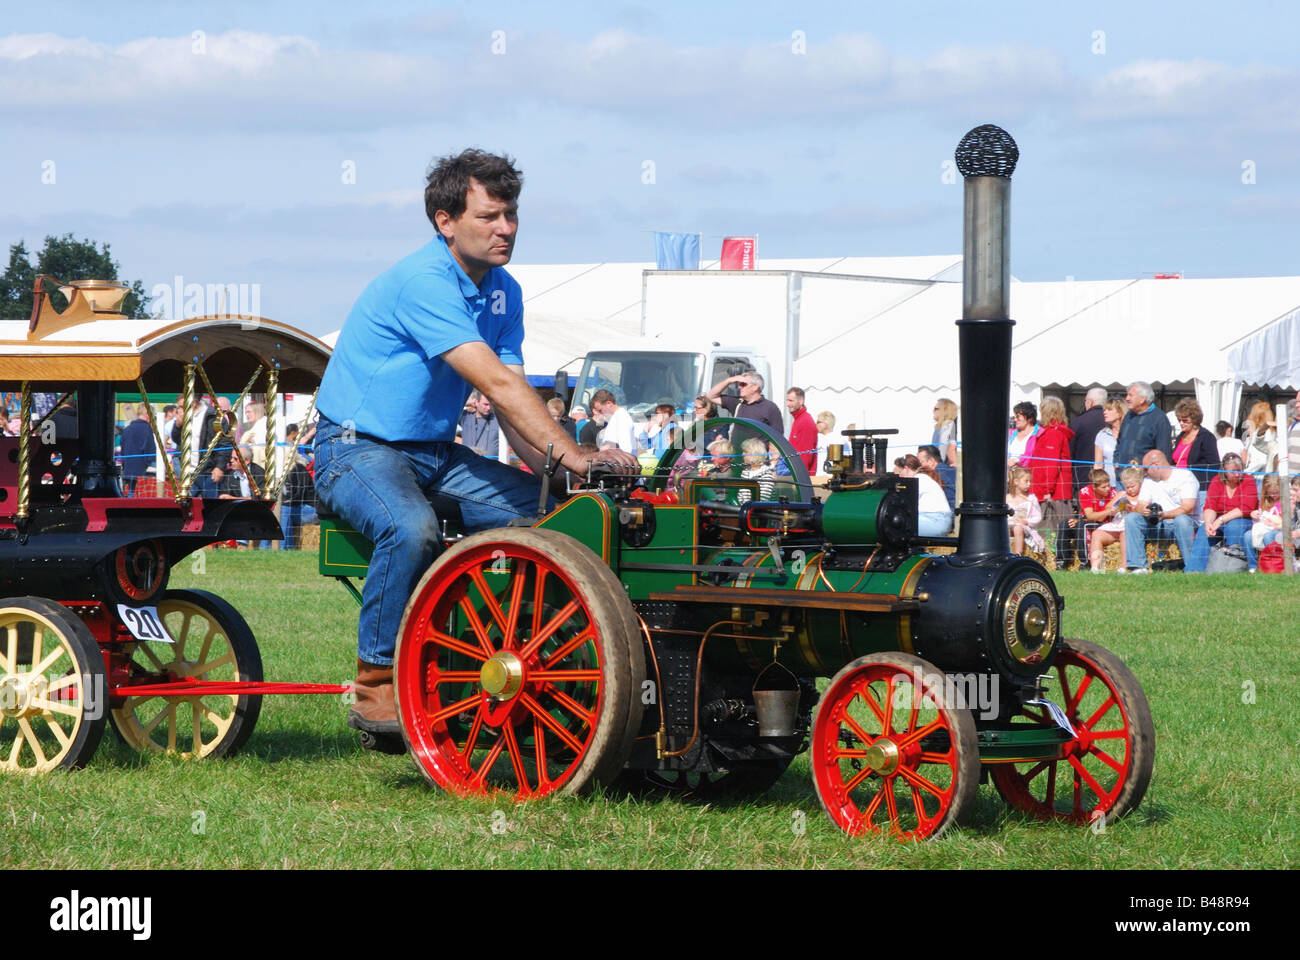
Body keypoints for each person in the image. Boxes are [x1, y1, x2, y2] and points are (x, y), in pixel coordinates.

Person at [312, 148, 638, 745]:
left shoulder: (504, 292)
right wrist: (577, 453)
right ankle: (376, 681)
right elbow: (497, 382)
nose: (506, 229)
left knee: (555, 517)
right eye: (489, 216)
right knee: (410, 530)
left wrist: (570, 478)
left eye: (511, 215)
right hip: (354, 451)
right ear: (445, 221)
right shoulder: (422, 281)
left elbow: (515, 408)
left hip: (432, 453)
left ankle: (537, 661)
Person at [1121, 450, 1198, 573]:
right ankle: (1139, 567)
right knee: (1132, 518)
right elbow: (1140, 505)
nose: (1144, 473)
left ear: (1155, 466)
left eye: (1146, 469)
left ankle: (1192, 567)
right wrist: (1144, 510)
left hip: (1180, 525)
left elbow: (1188, 508)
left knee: (1182, 519)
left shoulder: (1185, 476)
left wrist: (1165, 514)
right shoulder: (1148, 481)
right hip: (1157, 525)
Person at [1186, 452, 1258, 572]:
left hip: (1242, 519)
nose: (1237, 474)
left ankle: (1232, 567)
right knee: (1204, 530)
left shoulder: (1248, 480)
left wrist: (1220, 520)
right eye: (1232, 471)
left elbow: (1246, 507)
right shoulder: (1216, 481)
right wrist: (1209, 523)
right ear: (1224, 471)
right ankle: (1194, 571)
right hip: (1219, 520)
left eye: (1239, 470)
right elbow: (1210, 506)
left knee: (1234, 527)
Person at [1029, 396, 1074, 533]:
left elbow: (1051, 465)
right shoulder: (1055, 432)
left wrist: (1046, 490)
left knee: (1048, 533)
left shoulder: (1053, 434)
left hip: (1052, 495)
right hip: (1056, 492)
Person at [1171, 398, 1220, 516]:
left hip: (1200, 487)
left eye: (1185, 420)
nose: (1181, 423)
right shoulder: (1180, 437)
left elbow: (1214, 465)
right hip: (1179, 486)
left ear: (1194, 419)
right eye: (1179, 420)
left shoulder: (1206, 437)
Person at [706, 370, 784, 437]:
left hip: (757, 454)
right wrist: (729, 380)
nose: (739, 387)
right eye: (739, 384)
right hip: (737, 453)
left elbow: (778, 435)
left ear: (755, 387)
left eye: (743, 384)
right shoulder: (737, 403)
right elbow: (711, 396)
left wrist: (774, 454)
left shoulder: (770, 407)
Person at [1114, 381, 1172, 470]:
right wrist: (1116, 460)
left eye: (1130, 395)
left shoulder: (1159, 419)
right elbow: (1120, 442)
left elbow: (1164, 451)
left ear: (1142, 399)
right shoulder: (1129, 415)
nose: (1126, 398)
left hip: (1145, 477)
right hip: (1122, 475)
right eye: (1127, 395)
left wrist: (1157, 472)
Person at [280, 424, 318, 550]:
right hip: (293, 507)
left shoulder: (298, 469)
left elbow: (295, 497)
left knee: (284, 510)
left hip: (309, 509)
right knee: (280, 510)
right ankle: (266, 547)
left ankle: (284, 548)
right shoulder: (277, 472)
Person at [895, 454, 952, 537]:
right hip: (936, 520)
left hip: (934, 520)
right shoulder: (922, 478)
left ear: (906, 469)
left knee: (895, 527)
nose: (899, 476)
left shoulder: (919, 479)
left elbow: (905, 503)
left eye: (900, 472)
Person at [1079, 468, 1125, 572]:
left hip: (1108, 522)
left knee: (1082, 526)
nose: (1108, 489)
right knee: (1067, 525)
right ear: (1094, 487)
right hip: (1092, 520)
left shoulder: (1114, 493)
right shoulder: (1085, 492)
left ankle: (1085, 563)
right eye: (1103, 487)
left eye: (1108, 485)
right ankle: (1064, 562)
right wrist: (1107, 512)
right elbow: (1090, 516)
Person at [1068, 387, 1107, 490]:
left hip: (1083, 477)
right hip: (1107, 478)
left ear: (1090, 402)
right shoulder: (1112, 421)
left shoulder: (1078, 422)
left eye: (1085, 401)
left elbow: (1070, 451)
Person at [1006, 465, 1044, 555]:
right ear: (1016, 482)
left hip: (1024, 527)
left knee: (1017, 528)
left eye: (1030, 481)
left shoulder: (1031, 499)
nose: (1029, 484)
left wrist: (1026, 521)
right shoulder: (1006, 498)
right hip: (1008, 524)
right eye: (1026, 481)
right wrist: (1009, 520)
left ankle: (1018, 554)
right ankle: (1005, 553)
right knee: (1005, 528)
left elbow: (1037, 517)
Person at [119, 405, 156, 496]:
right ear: (148, 415)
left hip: (127, 469)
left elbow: (122, 451)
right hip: (142, 472)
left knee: (129, 494)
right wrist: (149, 463)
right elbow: (150, 450)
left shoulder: (127, 430)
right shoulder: (147, 429)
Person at [589, 388, 636, 453]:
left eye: (600, 410)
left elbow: (626, 448)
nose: (600, 413)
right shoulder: (615, 417)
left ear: (609, 403)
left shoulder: (621, 418)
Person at [1240, 400, 1275, 485]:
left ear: (1257, 418)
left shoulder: (1266, 435)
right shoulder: (1258, 434)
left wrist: (1244, 474)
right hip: (1256, 477)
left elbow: (1261, 460)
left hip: (1258, 479)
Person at [1093, 397, 1126, 486]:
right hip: (1109, 487)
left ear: (1120, 412)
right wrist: (1098, 484)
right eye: (1104, 409)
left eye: (1109, 409)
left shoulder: (1131, 433)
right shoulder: (1102, 435)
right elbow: (1098, 465)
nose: (1105, 412)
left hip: (1129, 485)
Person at [786, 387, 818, 473]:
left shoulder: (805, 422)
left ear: (801, 401)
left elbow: (805, 456)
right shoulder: (798, 419)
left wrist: (799, 477)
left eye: (791, 401)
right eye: (787, 400)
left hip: (802, 477)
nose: (787, 404)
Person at [459, 390, 500, 457]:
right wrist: (468, 402)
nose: (488, 408)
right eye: (485, 404)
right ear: (476, 402)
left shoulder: (497, 419)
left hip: (490, 465)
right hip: (469, 463)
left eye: (490, 404)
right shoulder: (465, 417)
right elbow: (450, 407)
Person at [737, 437, 776, 503]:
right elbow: (740, 496)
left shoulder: (767, 475)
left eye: (746, 452)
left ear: (755, 454)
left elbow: (763, 499)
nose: (742, 454)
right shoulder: (745, 472)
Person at [1006, 401, 1039, 469]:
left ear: (1029, 418)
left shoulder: (1039, 434)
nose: (1015, 420)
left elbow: (1034, 455)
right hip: (1009, 475)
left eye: (1018, 417)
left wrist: (1017, 461)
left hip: (1027, 475)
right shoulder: (1010, 433)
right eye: (1014, 417)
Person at [814, 410, 837, 476]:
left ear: (825, 424)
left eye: (818, 422)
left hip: (826, 479)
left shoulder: (829, 440)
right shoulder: (827, 439)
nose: (816, 424)